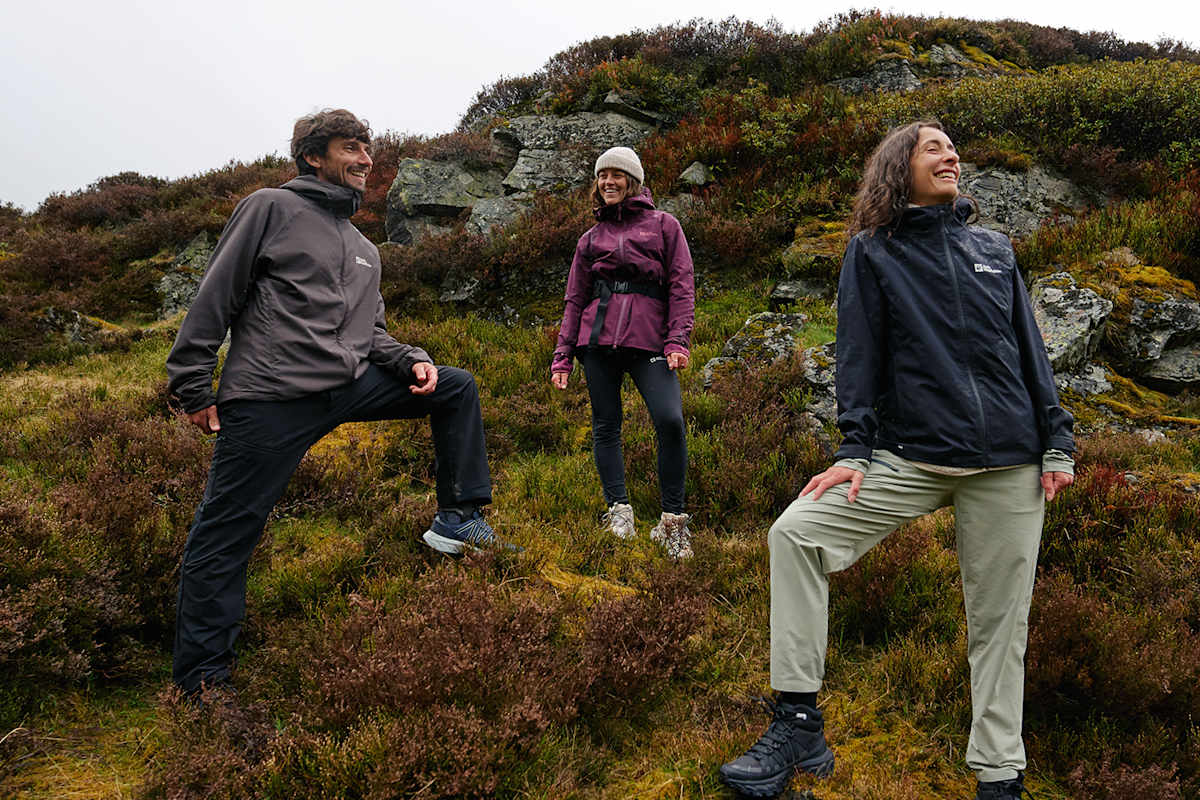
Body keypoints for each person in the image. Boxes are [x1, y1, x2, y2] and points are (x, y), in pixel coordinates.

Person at [718, 121, 1074, 800]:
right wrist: (854, 449)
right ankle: (799, 724)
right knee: (796, 534)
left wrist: (1057, 438)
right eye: (932, 147)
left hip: (1009, 462)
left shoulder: (994, 250)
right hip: (911, 457)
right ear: (898, 167)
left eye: (953, 147)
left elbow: (1030, 352)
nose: (951, 155)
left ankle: (999, 776)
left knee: (1000, 627)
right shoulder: (873, 252)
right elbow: (858, 355)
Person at [166, 108, 506, 697]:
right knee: (225, 534)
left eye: (367, 148)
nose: (366, 159)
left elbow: (370, 334)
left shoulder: (364, 247)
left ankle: (459, 518)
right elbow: (217, 294)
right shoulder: (269, 208)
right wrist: (193, 384)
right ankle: (202, 682)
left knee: (454, 386)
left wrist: (411, 360)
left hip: (347, 385)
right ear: (312, 156)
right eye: (351, 147)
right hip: (272, 396)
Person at [550, 146, 696, 558]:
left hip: (650, 341)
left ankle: (672, 522)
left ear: (632, 181)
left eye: (616, 175)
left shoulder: (665, 226)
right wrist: (563, 355)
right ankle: (619, 512)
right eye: (602, 176)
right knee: (606, 426)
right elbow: (574, 299)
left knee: (670, 420)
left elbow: (682, 285)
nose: (607, 182)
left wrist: (677, 340)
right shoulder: (590, 239)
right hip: (597, 343)